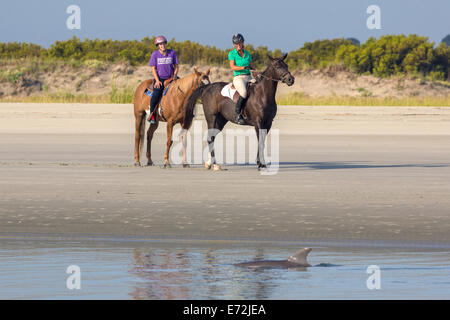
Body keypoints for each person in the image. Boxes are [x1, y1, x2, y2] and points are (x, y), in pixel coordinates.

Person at [148, 35, 179, 123]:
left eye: (164, 43)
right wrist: (157, 80)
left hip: (172, 77)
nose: (162, 45)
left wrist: (175, 75)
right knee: (155, 95)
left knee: (183, 90)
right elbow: (153, 68)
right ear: (158, 45)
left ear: (166, 44)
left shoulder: (172, 53)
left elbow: (176, 66)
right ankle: (152, 116)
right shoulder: (155, 54)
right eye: (160, 44)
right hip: (160, 79)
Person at [228, 33, 255, 124]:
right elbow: (232, 67)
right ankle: (237, 114)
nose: (238, 45)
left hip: (249, 77)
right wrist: (243, 68)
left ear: (242, 43)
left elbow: (252, 66)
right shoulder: (232, 53)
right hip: (238, 77)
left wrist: (255, 71)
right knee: (243, 92)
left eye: (239, 43)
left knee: (259, 86)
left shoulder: (247, 54)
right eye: (236, 43)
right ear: (234, 44)